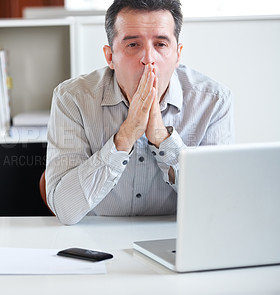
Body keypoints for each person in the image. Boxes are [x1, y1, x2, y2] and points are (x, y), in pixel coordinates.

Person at [46, 0, 234, 225]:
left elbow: (219, 203)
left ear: (178, 54)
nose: (148, 59)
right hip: (96, 242)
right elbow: (65, 210)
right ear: (110, 57)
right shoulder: (72, 98)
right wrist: (124, 138)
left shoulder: (214, 101)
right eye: (133, 45)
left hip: (176, 241)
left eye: (161, 44)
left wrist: (162, 138)